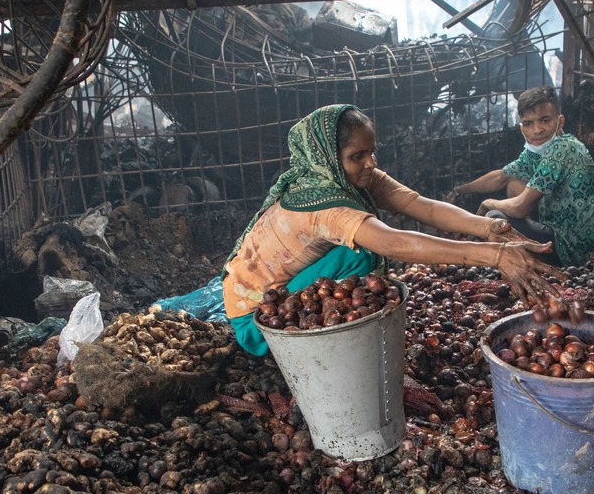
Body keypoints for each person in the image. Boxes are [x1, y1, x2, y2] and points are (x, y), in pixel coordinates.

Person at [222, 103, 562, 356]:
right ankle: (311, 346)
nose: (370, 163)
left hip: (282, 290)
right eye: (357, 156)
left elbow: (420, 205)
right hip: (259, 321)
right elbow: (394, 243)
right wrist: (496, 257)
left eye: (372, 152)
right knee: (363, 253)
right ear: (327, 157)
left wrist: (490, 227)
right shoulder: (324, 205)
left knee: (357, 256)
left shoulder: (351, 177)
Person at [449, 86, 594, 267]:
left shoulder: (563, 149)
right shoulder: (537, 152)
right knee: (514, 185)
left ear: (560, 121)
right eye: (529, 124)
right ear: (521, 128)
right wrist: (459, 190)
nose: (537, 130)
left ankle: (529, 262)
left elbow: (519, 208)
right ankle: (532, 249)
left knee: (495, 218)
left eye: (544, 120)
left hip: (578, 249)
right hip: (560, 229)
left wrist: (488, 203)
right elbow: (501, 177)